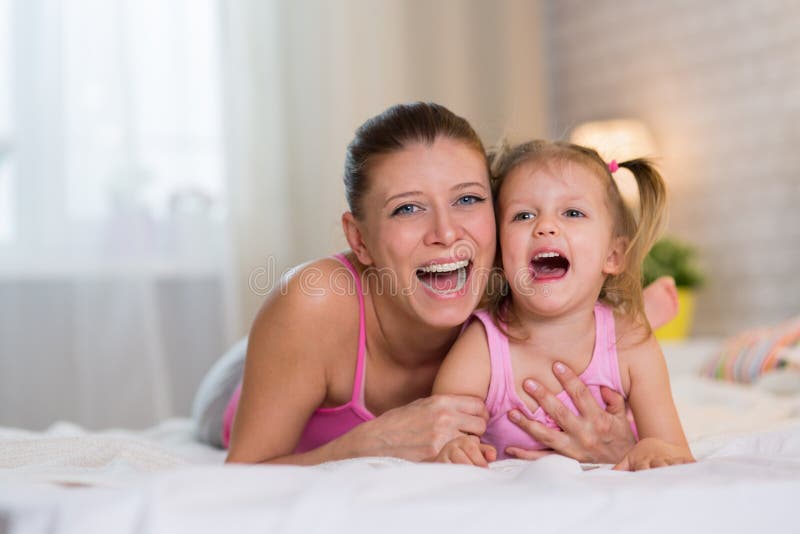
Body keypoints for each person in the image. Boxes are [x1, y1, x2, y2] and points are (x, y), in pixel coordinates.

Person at [192, 102, 679, 466]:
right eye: (407, 208)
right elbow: (244, 474)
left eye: (468, 200)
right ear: (359, 239)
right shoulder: (313, 303)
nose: (446, 234)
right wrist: (368, 443)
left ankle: (643, 307)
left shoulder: (508, 273)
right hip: (251, 380)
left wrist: (621, 445)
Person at [431, 140, 694, 470]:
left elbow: (674, 451)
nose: (545, 226)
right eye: (523, 215)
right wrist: (456, 447)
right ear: (499, 255)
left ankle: (641, 312)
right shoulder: (482, 346)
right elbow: (441, 433)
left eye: (573, 213)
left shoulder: (632, 344)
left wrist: (651, 449)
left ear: (613, 256)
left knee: (631, 331)